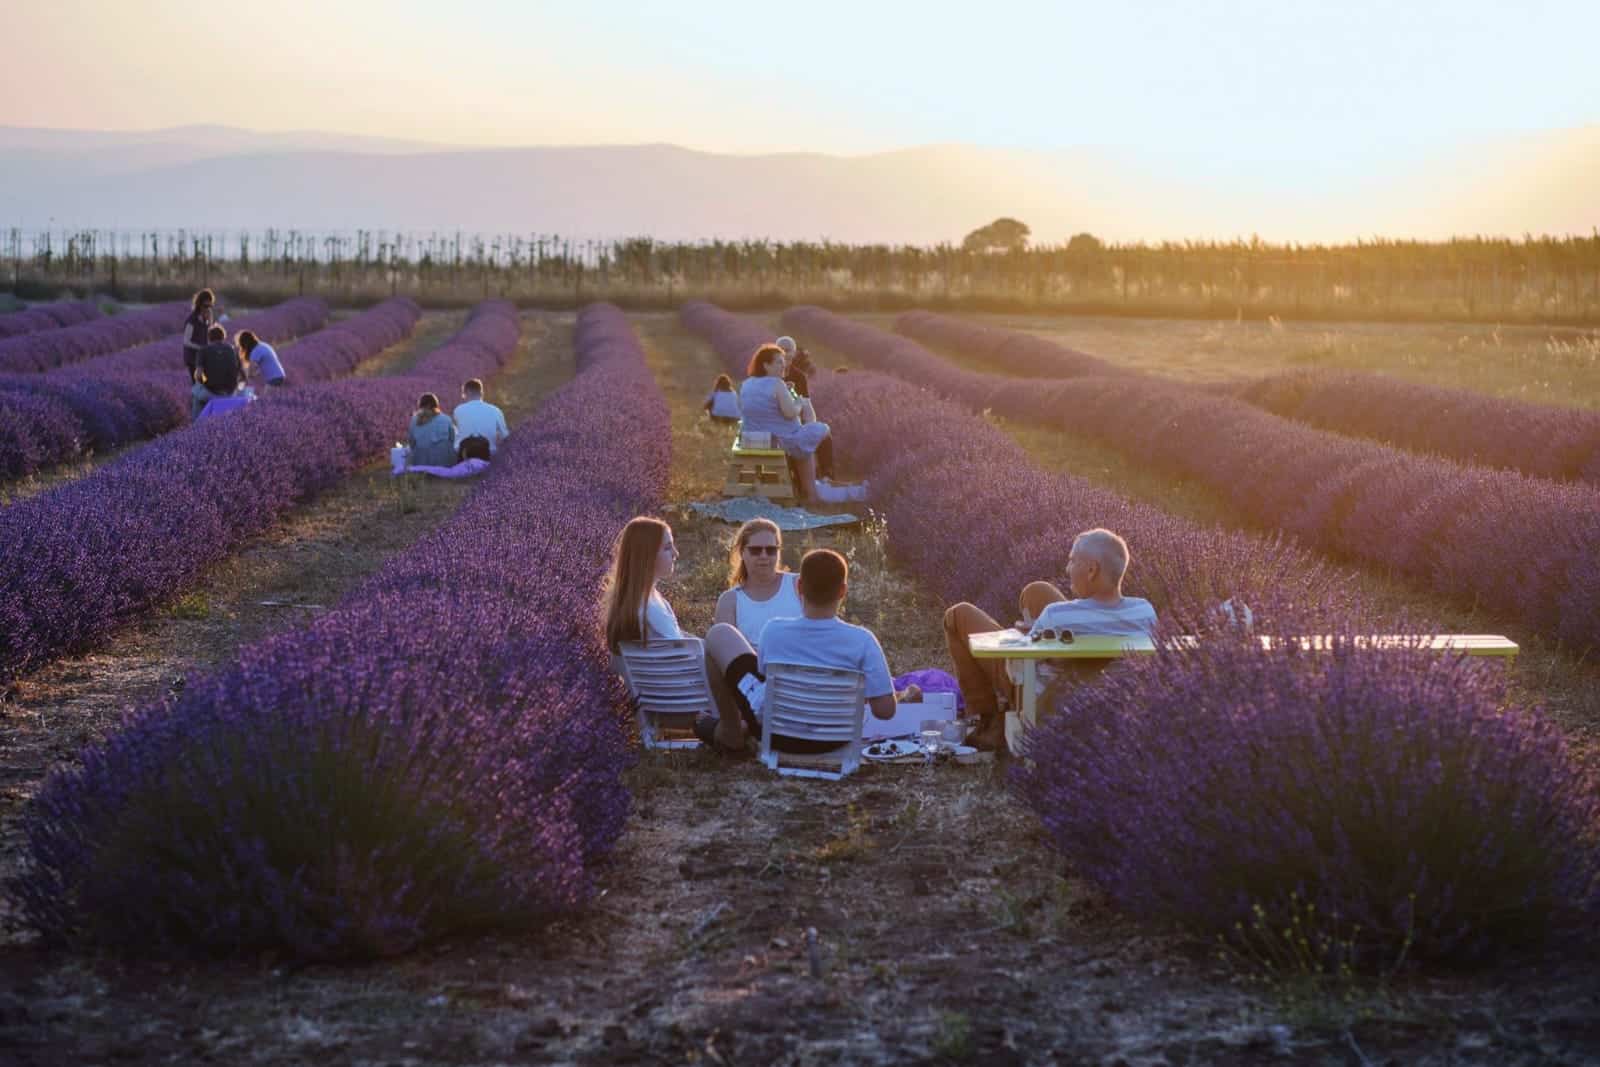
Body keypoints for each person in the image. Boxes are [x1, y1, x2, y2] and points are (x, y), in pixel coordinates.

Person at [942, 528, 1158, 750]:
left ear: (1092, 570)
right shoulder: (1144, 610)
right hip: (1110, 693)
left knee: (957, 615)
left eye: (1072, 561)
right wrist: (1044, 636)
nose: (1067, 568)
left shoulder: (1057, 615)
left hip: (1047, 699)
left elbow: (1016, 668)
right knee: (1036, 591)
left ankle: (988, 721)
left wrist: (1022, 637)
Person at [699, 548, 915, 754]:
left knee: (719, 633)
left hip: (775, 736)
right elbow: (885, 712)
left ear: (800, 587)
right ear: (843, 591)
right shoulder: (863, 640)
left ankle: (730, 733)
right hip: (834, 742)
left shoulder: (773, 630)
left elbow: (763, 678)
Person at [739, 344, 830, 501]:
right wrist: (800, 403)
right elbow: (790, 413)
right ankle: (811, 492)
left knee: (803, 442)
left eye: (784, 361)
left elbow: (764, 406)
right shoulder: (776, 384)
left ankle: (808, 489)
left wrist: (784, 391)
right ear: (766, 365)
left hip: (751, 439)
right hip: (775, 440)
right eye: (779, 362)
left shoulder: (747, 383)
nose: (784, 365)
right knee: (819, 430)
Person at [713, 519, 803, 650]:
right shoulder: (730, 601)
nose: (764, 555)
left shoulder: (798, 585)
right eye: (756, 550)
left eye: (771, 550)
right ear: (742, 552)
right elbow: (722, 652)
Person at [775, 336, 835, 480]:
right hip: (779, 424)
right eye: (780, 349)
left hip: (793, 420)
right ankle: (805, 479)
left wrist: (811, 426)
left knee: (823, 436)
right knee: (804, 437)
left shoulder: (799, 376)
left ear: (794, 354)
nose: (784, 352)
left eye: (787, 350)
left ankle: (826, 476)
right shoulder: (771, 374)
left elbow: (806, 405)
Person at [191, 324, 244, 418]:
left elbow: (198, 375)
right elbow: (242, 374)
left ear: (209, 338)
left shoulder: (203, 350)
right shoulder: (232, 350)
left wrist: (203, 382)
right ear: (223, 337)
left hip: (212, 392)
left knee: (195, 392)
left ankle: (196, 424)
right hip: (230, 393)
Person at [451, 378, 509, 458]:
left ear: (467, 392)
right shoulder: (495, 410)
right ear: (481, 393)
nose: (463, 397)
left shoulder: (458, 410)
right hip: (489, 453)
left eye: (463, 394)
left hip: (465, 453)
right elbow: (505, 436)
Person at [407, 393, 457, 467]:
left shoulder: (414, 420)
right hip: (444, 462)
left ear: (420, 405)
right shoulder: (446, 419)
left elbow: (411, 443)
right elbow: (452, 440)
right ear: (436, 405)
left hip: (421, 462)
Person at [182, 288, 216, 380]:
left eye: (210, 306)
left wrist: (210, 321)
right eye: (205, 306)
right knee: (198, 384)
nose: (207, 308)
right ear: (199, 304)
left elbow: (211, 335)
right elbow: (186, 341)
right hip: (192, 358)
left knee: (206, 383)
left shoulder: (206, 319)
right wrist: (200, 347)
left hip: (203, 357)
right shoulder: (192, 320)